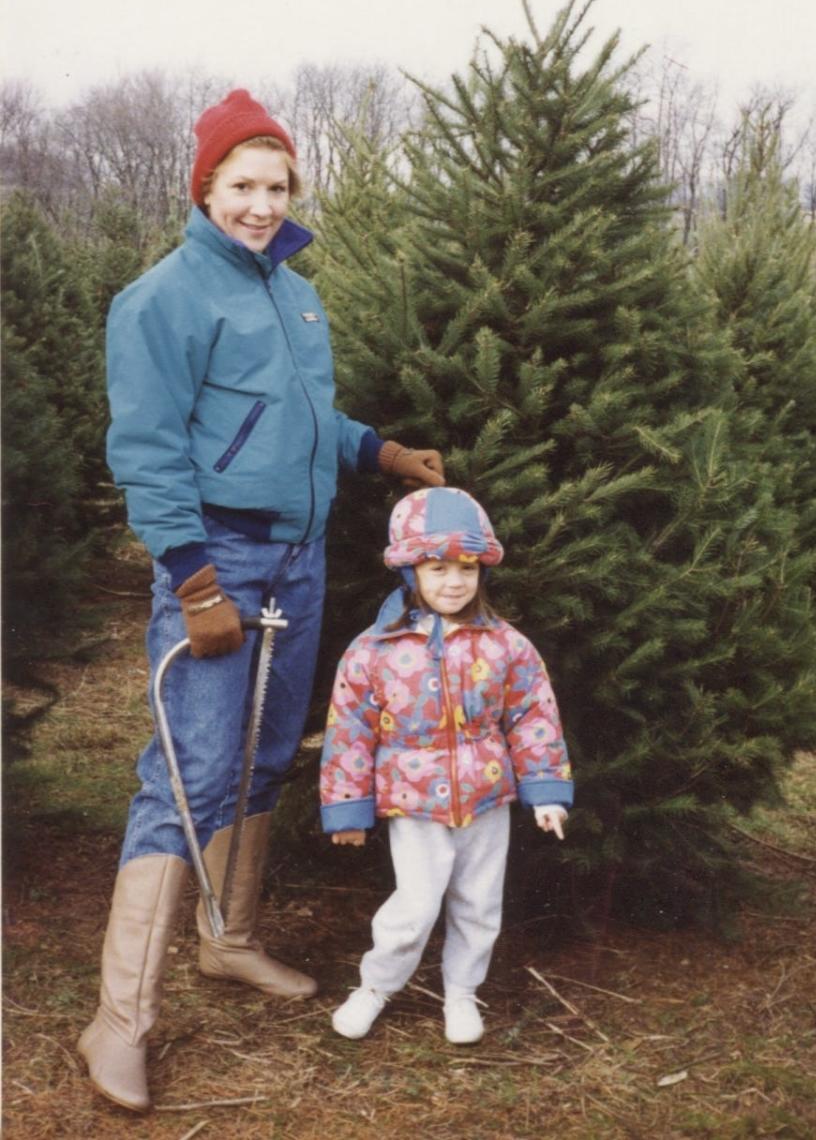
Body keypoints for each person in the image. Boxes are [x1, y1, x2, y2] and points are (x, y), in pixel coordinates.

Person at [79, 89, 445, 1112]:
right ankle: (119, 1019)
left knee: (265, 751)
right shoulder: (161, 300)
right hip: (221, 561)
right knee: (188, 774)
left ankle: (227, 939)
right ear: (203, 189)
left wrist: (379, 450)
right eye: (241, 185)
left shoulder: (294, 290)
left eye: (276, 184)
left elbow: (302, 415)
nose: (260, 203)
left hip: (299, 557)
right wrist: (194, 579)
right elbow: (147, 452)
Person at [320, 486, 573, 1045]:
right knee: (414, 906)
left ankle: (462, 994)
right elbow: (350, 729)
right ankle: (376, 987)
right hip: (415, 806)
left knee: (480, 904)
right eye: (437, 568)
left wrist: (545, 790)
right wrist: (346, 808)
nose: (454, 581)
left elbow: (534, 714)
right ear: (411, 571)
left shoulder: (506, 645)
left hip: (487, 802)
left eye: (466, 567)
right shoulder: (374, 650)